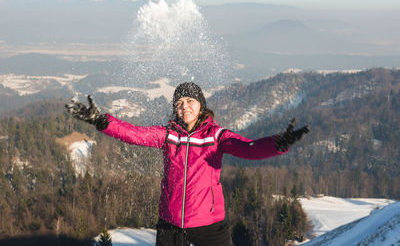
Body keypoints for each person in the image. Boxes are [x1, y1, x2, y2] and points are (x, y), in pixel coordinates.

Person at [66, 82, 309, 246]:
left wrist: (278, 144)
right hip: (171, 223)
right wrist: (100, 120)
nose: (185, 107)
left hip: (210, 225)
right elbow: (135, 133)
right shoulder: (168, 135)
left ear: (201, 105)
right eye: (179, 103)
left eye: (190, 101)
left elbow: (249, 148)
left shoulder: (216, 136)